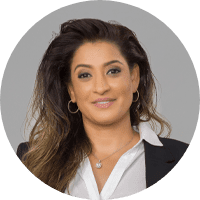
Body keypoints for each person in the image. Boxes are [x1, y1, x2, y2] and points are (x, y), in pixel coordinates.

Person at [16, 18, 189, 199]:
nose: (101, 87)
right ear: (71, 90)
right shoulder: (28, 161)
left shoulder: (184, 159)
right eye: (85, 75)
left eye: (113, 71)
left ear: (134, 78)